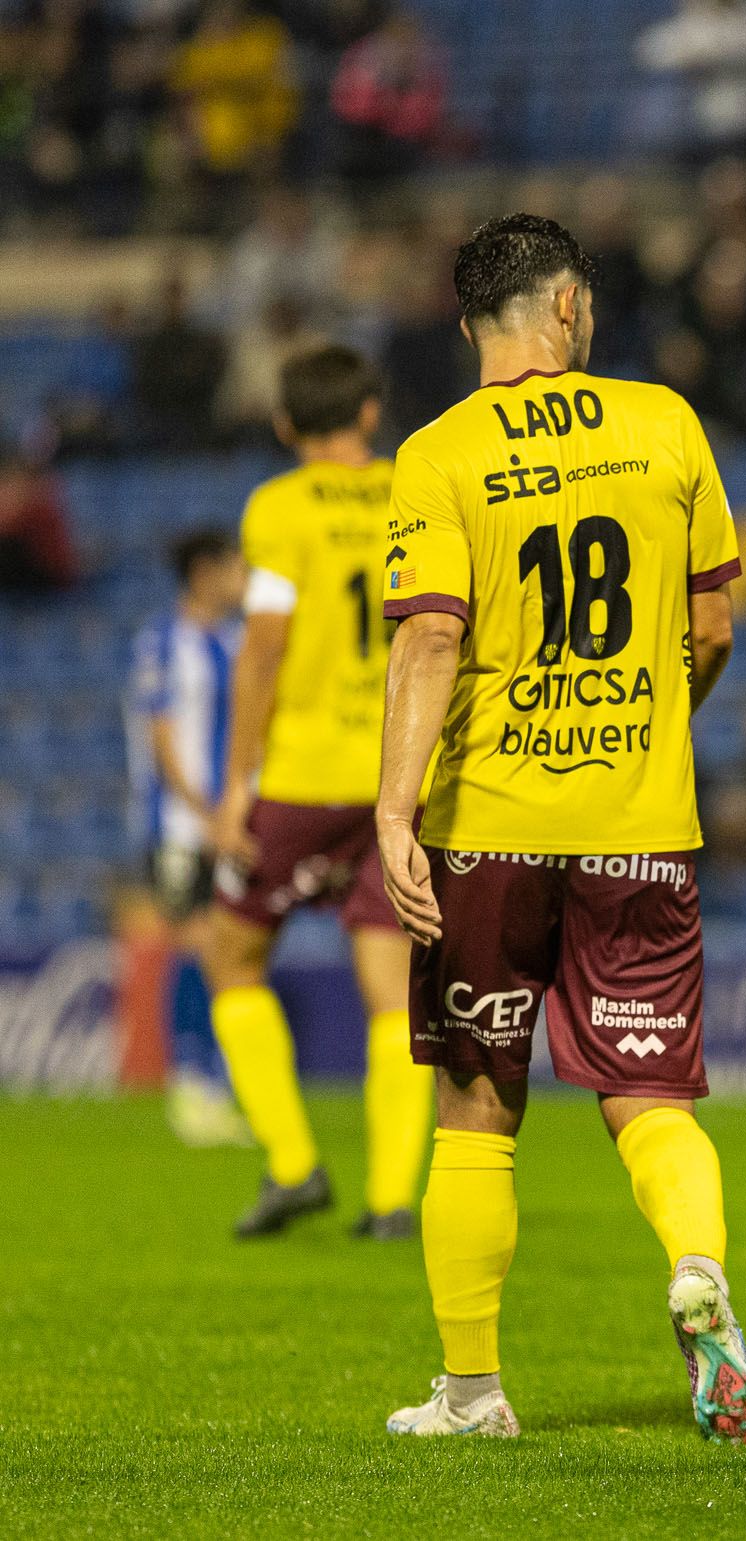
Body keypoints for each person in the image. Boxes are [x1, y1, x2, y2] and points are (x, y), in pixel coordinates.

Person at [375, 214, 746, 1445]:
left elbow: (431, 634)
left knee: (480, 1101)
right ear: (570, 308)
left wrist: (393, 807)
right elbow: (712, 630)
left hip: (489, 821)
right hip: (641, 819)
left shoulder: (437, 453)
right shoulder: (666, 423)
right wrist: (649, 723)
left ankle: (474, 1390)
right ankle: (697, 1266)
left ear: (469, 326)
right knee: (651, 1091)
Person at [203, 346, 432, 1242]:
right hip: (395, 775)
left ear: (285, 424)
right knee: (390, 983)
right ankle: (391, 1200)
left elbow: (263, 645)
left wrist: (234, 788)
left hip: (301, 775)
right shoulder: (414, 490)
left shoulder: (278, 506)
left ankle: (295, 1166)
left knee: (232, 959)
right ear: (372, 414)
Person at [125, 528, 251, 1148]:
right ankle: (193, 1085)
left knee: (224, 950)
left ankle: (217, 1083)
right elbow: (161, 738)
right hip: (180, 824)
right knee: (198, 943)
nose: (243, 581)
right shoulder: (161, 640)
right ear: (203, 571)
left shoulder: (235, 640)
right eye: (234, 569)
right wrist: (204, 811)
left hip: (226, 822)